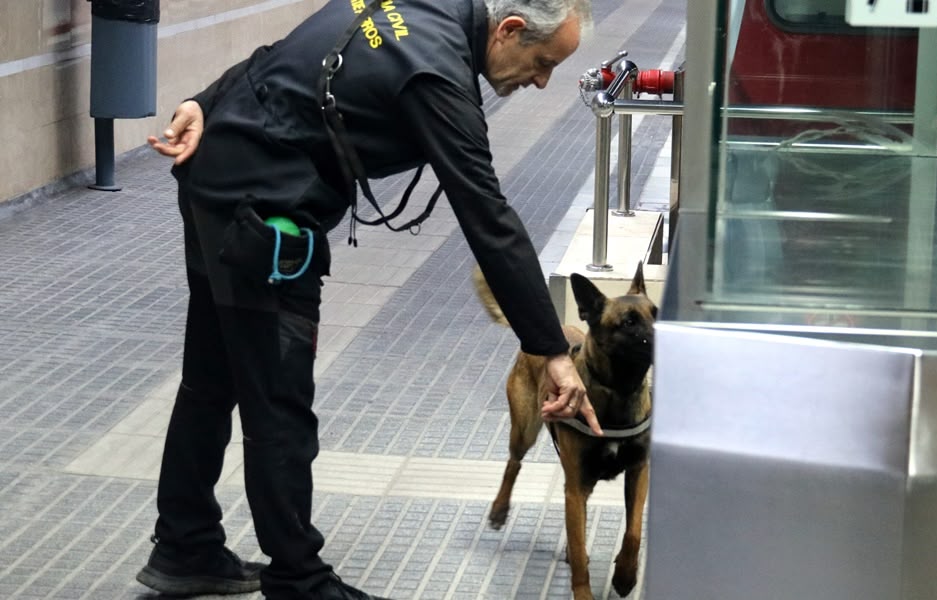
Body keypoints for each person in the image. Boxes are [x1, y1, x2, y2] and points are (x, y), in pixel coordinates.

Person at [136, 1, 600, 599]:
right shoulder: (436, 75)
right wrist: (552, 350)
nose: (540, 81)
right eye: (542, 62)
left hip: (217, 177)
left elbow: (280, 56)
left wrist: (204, 100)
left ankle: (185, 544)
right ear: (509, 29)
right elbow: (488, 216)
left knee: (210, 378)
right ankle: (298, 579)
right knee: (279, 403)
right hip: (263, 218)